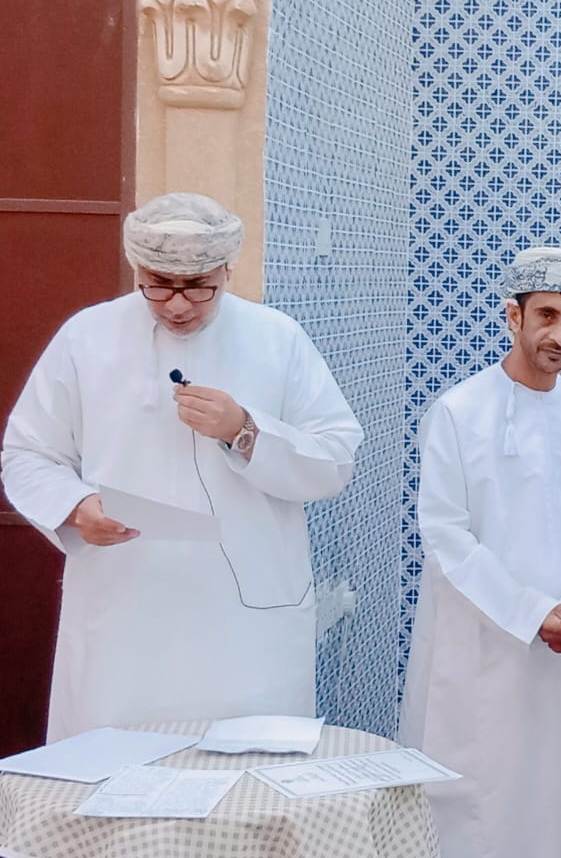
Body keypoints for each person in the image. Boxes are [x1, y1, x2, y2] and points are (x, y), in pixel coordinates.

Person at [2, 192, 363, 741]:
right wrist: (74, 507)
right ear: (136, 270)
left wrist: (244, 429)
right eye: (158, 285)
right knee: (114, 768)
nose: (176, 305)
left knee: (242, 772)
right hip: (125, 611)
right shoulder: (86, 337)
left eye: (198, 286)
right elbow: (28, 453)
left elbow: (335, 457)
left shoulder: (276, 338)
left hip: (243, 623)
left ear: (227, 270)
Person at [398, 246, 561, 858]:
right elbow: (445, 535)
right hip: (480, 639)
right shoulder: (458, 411)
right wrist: (529, 613)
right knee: (476, 797)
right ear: (513, 316)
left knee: (559, 794)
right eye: (547, 315)